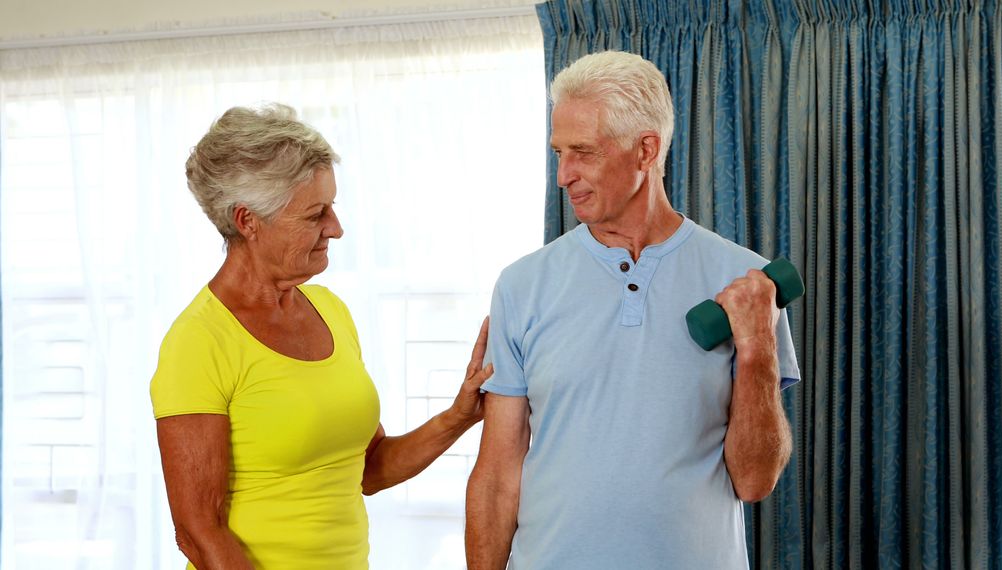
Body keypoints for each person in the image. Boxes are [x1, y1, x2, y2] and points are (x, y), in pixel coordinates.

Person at [465, 51, 801, 569]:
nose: (563, 175)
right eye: (559, 152)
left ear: (645, 150)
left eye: (583, 153)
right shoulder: (522, 285)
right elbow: (497, 475)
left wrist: (758, 345)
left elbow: (755, 482)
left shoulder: (747, 283)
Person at [150, 103, 492, 569]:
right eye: (315, 215)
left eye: (332, 207)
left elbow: (369, 469)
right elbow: (197, 532)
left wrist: (459, 416)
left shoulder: (330, 311)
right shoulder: (198, 342)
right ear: (248, 221)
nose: (335, 227)